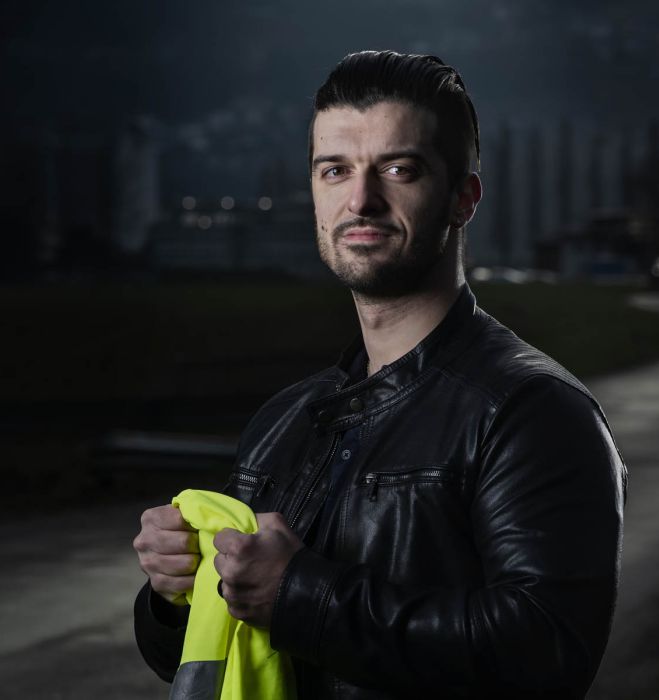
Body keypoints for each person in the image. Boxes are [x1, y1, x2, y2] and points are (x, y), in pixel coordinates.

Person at [132, 50, 626, 699]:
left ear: (463, 198)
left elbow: (547, 653)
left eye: (398, 169)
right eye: (335, 170)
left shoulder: (533, 411)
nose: (361, 200)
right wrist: (173, 594)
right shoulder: (284, 421)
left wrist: (301, 595)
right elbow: (214, 652)